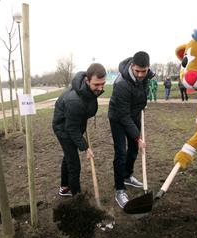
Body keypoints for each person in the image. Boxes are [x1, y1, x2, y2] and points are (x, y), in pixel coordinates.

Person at [108, 51, 155, 208]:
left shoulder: (147, 76)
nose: (141, 74)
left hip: (134, 114)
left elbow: (141, 93)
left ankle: (127, 175)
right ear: (132, 67)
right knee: (121, 152)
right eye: (137, 71)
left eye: (144, 71)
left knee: (134, 148)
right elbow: (123, 116)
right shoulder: (121, 84)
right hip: (119, 118)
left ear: (148, 67)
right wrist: (139, 137)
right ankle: (119, 189)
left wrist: (143, 104)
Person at [52, 63, 106, 197]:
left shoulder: (87, 91)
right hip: (64, 129)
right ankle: (77, 197)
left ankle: (64, 187)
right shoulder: (74, 100)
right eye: (96, 85)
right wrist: (85, 147)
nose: (100, 88)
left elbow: (86, 108)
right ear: (87, 81)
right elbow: (71, 129)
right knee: (74, 164)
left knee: (69, 156)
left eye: (102, 84)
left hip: (74, 123)